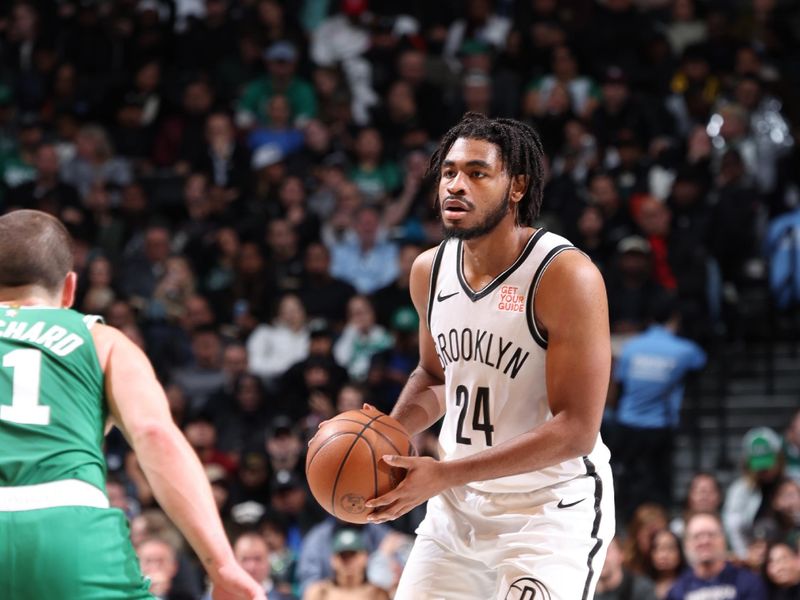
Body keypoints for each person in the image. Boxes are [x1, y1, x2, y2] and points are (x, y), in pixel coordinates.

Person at [361, 113, 615, 599]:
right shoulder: (428, 271)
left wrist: (443, 474)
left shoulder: (565, 276)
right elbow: (436, 376)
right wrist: (390, 437)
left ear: (516, 186)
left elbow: (577, 429)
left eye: (477, 173)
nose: (456, 185)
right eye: (449, 172)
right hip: (457, 510)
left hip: (548, 512)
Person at [0, 210, 264, 599]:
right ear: (70, 289)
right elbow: (155, 434)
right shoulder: (102, 341)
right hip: (70, 529)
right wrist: (221, 563)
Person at [666, 512, 767, 599]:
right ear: (687, 544)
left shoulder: (749, 582)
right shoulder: (677, 591)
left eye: (711, 535)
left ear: (723, 540)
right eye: (697, 536)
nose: (704, 541)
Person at [302, 528, 390, 600]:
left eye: (353, 555)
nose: (348, 561)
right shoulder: (319, 592)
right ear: (333, 560)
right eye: (343, 556)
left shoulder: (377, 593)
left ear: (365, 557)